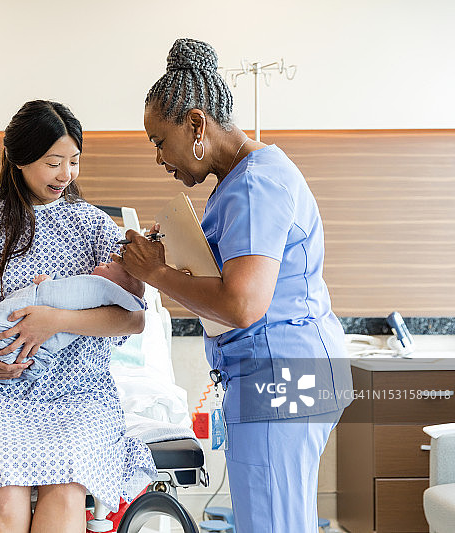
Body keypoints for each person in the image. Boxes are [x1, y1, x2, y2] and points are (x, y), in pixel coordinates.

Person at [112, 38, 353, 533]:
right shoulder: (240, 180)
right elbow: (230, 282)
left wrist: (155, 274)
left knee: (273, 525)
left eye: (159, 141)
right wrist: (171, 256)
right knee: (278, 519)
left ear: (197, 125)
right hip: (283, 373)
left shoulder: (257, 183)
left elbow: (242, 304)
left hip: (281, 376)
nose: (158, 157)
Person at [0, 100, 156, 533]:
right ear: (18, 159)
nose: (66, 174)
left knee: (67, 487)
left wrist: (55, 319)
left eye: (74, 161)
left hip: (80, 393)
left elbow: (133, 318)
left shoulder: (94, 227)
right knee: (4, 487)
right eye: (54, 162)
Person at [0, 260, 146, 384]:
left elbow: (136, 319)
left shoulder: (98, 227)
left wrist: (55, 319)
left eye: (107, 267)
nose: (102, 263)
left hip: (78, 391)